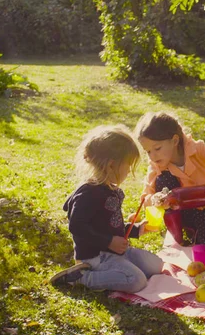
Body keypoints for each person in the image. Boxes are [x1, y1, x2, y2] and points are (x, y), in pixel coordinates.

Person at [50, 125, 163, 292]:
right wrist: (108, 242)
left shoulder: (111, 189)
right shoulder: (88, 193)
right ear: (111, 165)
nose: (129, 172)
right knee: (137, 281)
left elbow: (110, 225)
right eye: (128, 166)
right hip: (96, 257)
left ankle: (119, 268)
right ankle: (82, 277)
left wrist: (138, 229)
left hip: (116, 252)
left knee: (157, 266)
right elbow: (77, 226)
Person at [135, 112, 205, 250]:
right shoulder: (157, 165)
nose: (153, 156)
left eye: (157, 148)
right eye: (148, 151)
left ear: (174, 141)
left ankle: (196, 234)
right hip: (179, 213)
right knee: (163, 179)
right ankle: (178, 234)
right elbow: (146, 197)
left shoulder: (197, 150)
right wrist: (155, 199)